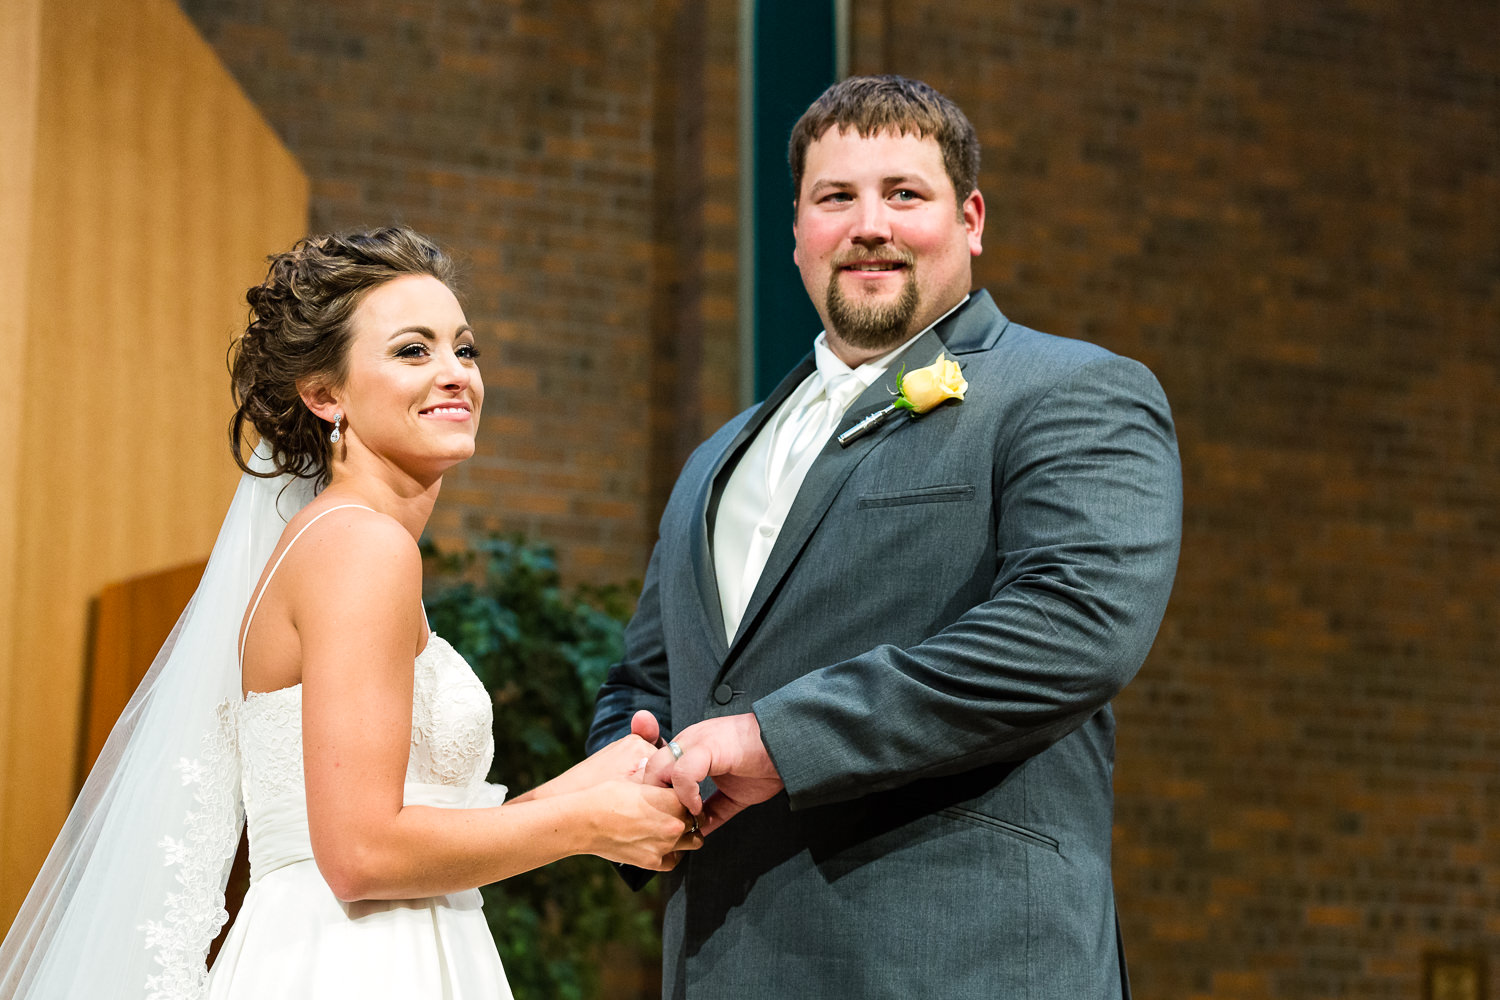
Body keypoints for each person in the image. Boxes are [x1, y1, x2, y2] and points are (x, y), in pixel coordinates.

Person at [587, 76, 1182, 997]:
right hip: (724, 962)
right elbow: (647, 680)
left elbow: (1071, 629)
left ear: (971, 218)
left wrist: (775, 740)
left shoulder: (1068, 392)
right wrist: (619, 783)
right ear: (795, 234)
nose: (870, 225)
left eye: (904, 194)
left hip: (955, 955)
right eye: (837, 198)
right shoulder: (714, 460)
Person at [0, 226, 700, 999]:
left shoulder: (345, 541)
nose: (454, 375)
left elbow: (407, 826)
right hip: (353, 964)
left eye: (464, 350)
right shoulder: (361, 546)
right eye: (412, 351)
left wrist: (588, 786)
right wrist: (589, 827)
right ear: (325, 393)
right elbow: (363, 854)